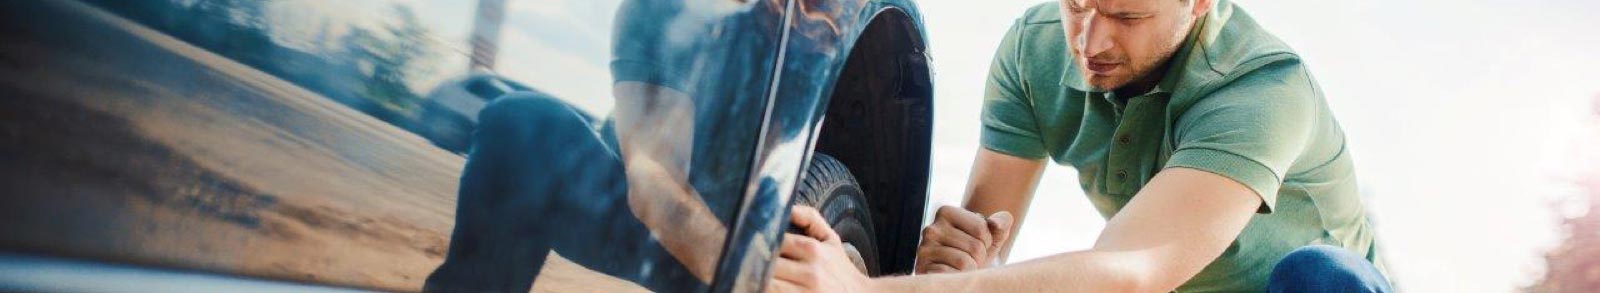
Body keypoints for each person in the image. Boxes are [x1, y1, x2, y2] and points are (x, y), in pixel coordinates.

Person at [768, 0, 1392, 292]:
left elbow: (1132, 271)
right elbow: (982, 245)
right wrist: (959, 261)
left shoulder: (1262, 91)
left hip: (1316, 289)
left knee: (1319, 278)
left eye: (1127, 16)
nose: (1089, 40)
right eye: (1077, 4)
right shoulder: (1035, 49)